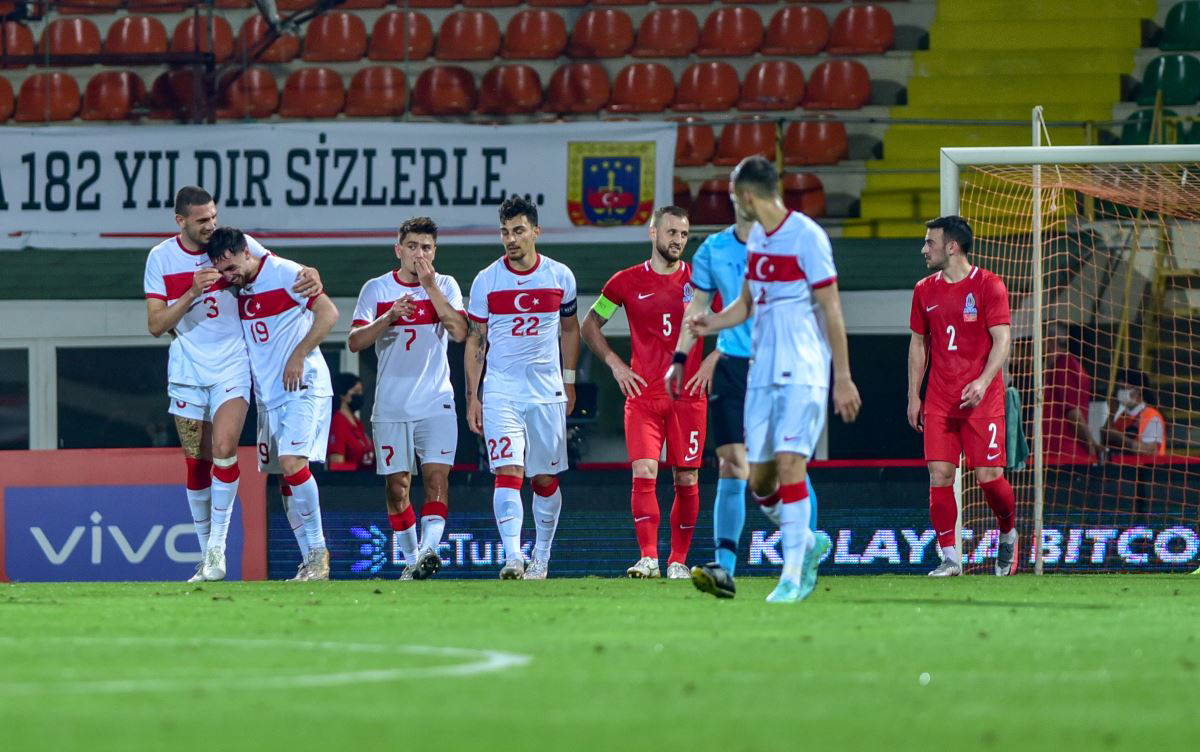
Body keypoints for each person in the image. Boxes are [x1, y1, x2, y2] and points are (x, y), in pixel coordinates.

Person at [687, 156, 861, 603]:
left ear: (746, 196)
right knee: (760, 482)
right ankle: (805, 540)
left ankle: (791, 576)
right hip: (760, 370)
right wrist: (711, 322)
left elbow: (832, 309)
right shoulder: (759, 239)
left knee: (790, 465)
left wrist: (842, 377)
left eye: (732, 196)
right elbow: (746, 304)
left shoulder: (807, 237)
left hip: (803, 367)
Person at [143, 186, 321, 583]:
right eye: (202, 220)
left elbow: (276, 268)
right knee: (196, 464)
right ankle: (206, 554)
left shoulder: (231, 245)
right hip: (187, 369)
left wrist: (311, 274)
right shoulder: (160, 258)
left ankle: (217, 551)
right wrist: (192, 290)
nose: (210, 226)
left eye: (213, 217)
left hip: (233, 366)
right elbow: (156, 325)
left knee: (225, 450)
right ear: (181, 221)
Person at [667, 215, 822, 599]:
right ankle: (726, 568)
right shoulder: (712, 250)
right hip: (734, 365)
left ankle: (801, 557)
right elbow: (699, 309)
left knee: (785, 465)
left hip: (781, 364)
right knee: (732, 464)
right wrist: (681, 357)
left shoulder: (788, 242)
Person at [581, 206, 718, 579]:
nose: (677, 241)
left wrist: (711, 362)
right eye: (671, 232)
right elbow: (589, 324)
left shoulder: (702, 283)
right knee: (643, 470)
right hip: (643, 395)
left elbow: (739, 325)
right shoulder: (624, 282)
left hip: (688, 397)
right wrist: (615, 364)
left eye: (684, 235)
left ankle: (677, 560)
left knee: (686, 478)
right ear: (653, 233)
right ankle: (648, 557)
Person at [206, 226, 339, 581]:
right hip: (270, 397)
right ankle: (309, 562)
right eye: (223, 272)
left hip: (303, 385)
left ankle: (318, 552)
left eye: (232, 268)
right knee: (284, 480)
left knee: (293, 462)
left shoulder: (284, 272)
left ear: (246, 252)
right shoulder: (240, 285)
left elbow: (329, 313)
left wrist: (299, 353)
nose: (229, 277)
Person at [465, 195, 580, 580]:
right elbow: (476, 340)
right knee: (508, 472)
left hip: (546, 391)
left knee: (545, 479)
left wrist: (570, 380)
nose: (511, 239)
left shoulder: (560, 276)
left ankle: (541, 557)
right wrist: (473, 396)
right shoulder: (486, 280)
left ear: (535, 231)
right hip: (501, 390)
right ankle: (513, 557)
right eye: (505, 232)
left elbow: (569, 329)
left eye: (518, 231)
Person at [349, 216, 467, 581]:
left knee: (436, 480)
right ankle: (412, 559)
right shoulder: (376, 288)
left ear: (435, 251)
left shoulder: (445, 285)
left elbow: (461, 332)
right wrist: (388, 316)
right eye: (413, 246)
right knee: (397, 486)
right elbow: (354, 341)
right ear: (398, 249)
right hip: (391, 405)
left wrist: (431, 288)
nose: (419, 254)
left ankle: (429, 552)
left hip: (436, 402)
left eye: (426, 247)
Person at [908, 215, 1018, 577]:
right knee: (939, 475)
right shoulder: (924, 289)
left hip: (982, 399)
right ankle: (950, 558)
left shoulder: (989, 286)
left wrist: (984, 381)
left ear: (951, 247)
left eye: (930, 242)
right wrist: (914, 395)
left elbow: (1002, 341)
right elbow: (919, 345)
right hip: (940, 398)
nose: (924, 249)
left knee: (989, 477)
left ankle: (1007, 532)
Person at [1044, 325, 1101, 462]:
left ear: (1051, 341)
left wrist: (1091, 447)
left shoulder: (1064, 366)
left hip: (1064, 455)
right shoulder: (1064, 366)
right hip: (1061, 452)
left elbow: (1073, 414)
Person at [1103, 371, 1167, 457]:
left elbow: (1150, 451)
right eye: (1118, 389)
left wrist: (1120, 438)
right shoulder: (1122, 417)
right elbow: (1106, 438)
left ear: (1138, 390)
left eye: (1123, 388)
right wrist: (1111, 413)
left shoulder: (1152, 416)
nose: (1119, 393)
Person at [328, 373, 374, 472]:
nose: (360, 396)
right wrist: (360, 469)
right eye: (356, 392)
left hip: (367, 483)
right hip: (350, 484)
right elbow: (336, 465)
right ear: (342, 395)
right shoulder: (338, 423)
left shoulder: (356, 422)